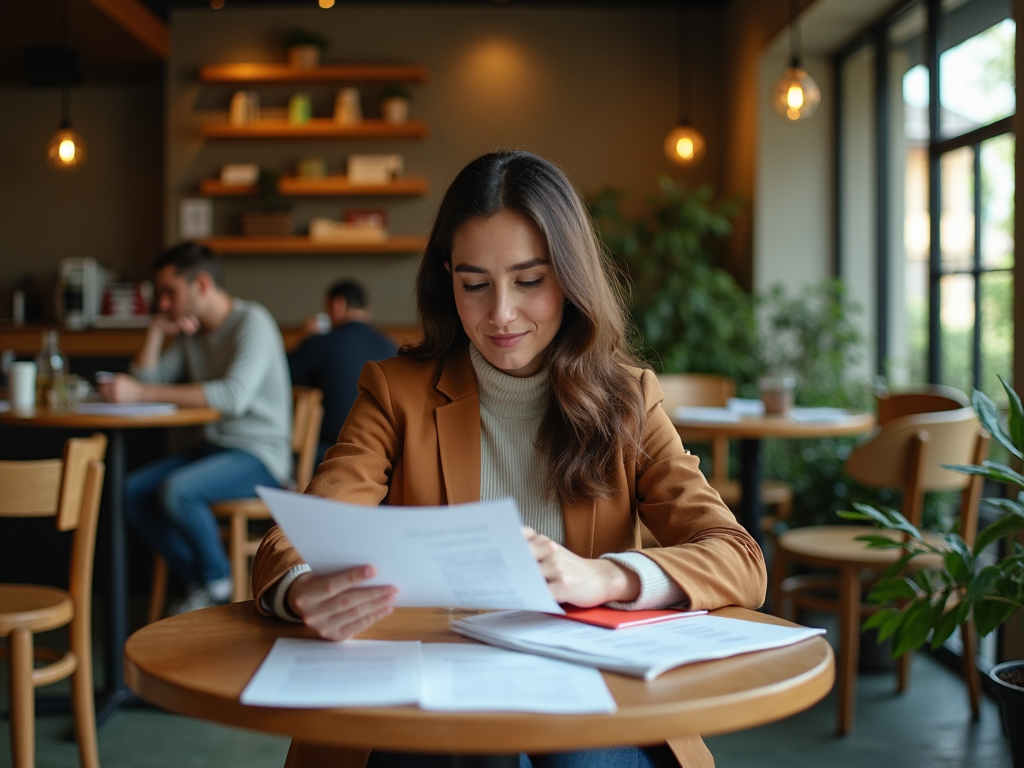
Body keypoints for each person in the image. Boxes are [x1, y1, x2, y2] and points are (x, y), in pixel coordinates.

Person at [252, 152, 766, 768]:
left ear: (569, 277)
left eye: (529, 281)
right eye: (475, 285)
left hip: (591, 694)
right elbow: (293, 538)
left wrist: (606, 577)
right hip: (431, 690)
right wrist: (304, 587)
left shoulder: (628, 401)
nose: (500, 314)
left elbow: (738, 557)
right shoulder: (395, 393)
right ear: (449, 280)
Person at [100, 242, 292, 614]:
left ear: (201, 285)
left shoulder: (252, 322)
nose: (165, 303)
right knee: (129, 492)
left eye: (170, 293)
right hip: (216, 449)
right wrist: (157, 329)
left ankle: (216, 582)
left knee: (177, 492)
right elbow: (147, 378)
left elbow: (232, 396)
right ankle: (203, 579)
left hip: (259, 456)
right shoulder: (192, 334)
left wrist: (140, 391)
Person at [288, 279, 397, 463]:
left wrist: (305, 339)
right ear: (367, 310)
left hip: (329, 454)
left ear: (338, 305)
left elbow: (281, 376)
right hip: (384, 456)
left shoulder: (320, 344)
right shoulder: (391, 347)